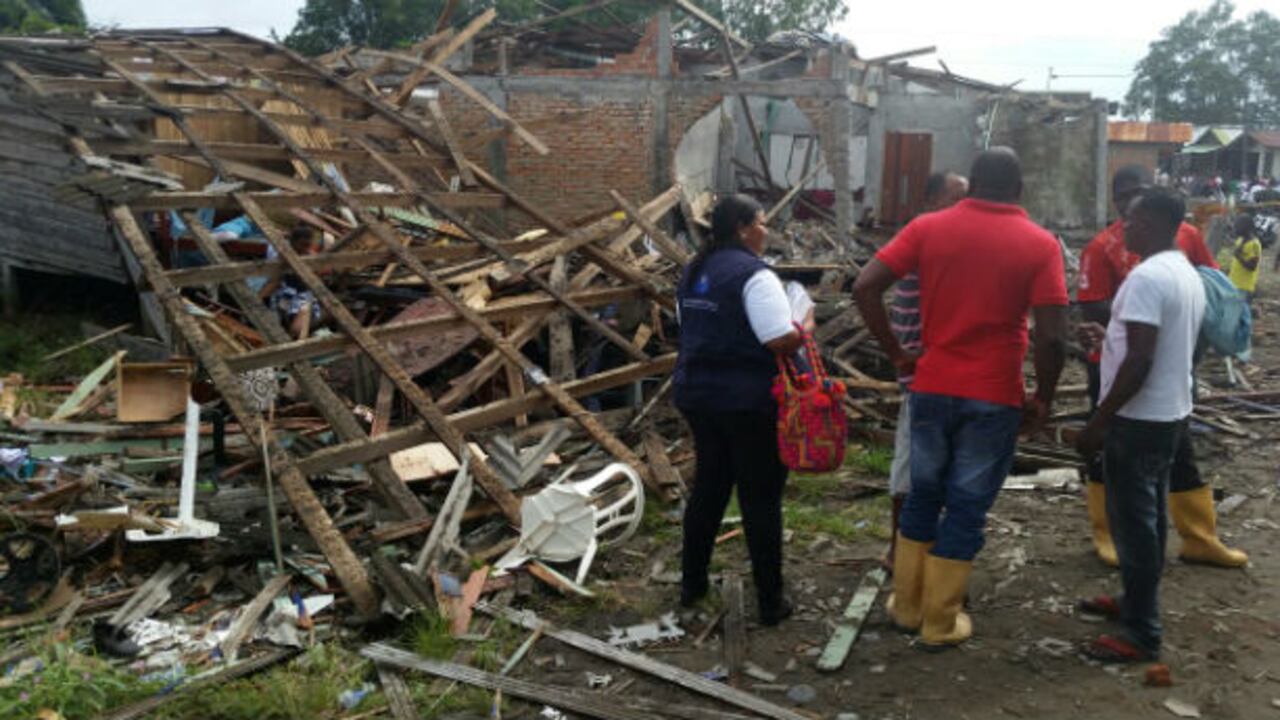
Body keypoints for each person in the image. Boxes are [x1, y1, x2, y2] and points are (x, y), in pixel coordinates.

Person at [854, 148, 1067, 648]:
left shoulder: (929, 229)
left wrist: (896, 352)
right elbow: (1054, 337)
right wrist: (1044, 396)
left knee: (923, 494)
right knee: (968, 505)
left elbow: (865, 287)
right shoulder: (1040, 244)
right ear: (1020, 190)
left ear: (971, 184)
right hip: (994, 395)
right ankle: (941, 622)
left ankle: (907, 607)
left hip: (930, 386)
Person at [1077, 166, 1246, 568]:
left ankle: (1199, 536)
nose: (1127, 206)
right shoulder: (1101, 247)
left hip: (1168, 363)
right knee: (1109, 456)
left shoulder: (1182, 237)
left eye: (1135, 195)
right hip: (1117, 363)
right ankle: (1110, 536)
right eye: (1122, 198)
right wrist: (1131, 323)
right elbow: (1092, 305)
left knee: (1178, 451)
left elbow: (1211, 284)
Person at [1074, 187, 1206, 662]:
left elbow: (1141, 360)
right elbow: (1153, 343)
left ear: (1148, 222)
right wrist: (1110, 336)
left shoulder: (1148, 277)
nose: (1122, 226)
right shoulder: (1182, 270)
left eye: (1129, 219)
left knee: (1134, 525)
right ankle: (1135, 602)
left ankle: (1142, 633)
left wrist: (1098, 422)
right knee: (1148, 519)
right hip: (1169, 413)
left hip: (1138, 420)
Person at [674, 194, 803, 626]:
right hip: (748, 403)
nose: (768, 230)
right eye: (764, 222)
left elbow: (690, 327)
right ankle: (771, 601)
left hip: (698, 396)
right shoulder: (756, 275)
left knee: (709, 488)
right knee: (760, 499)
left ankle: (692, 586)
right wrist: (806, 325)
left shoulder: (695, 270)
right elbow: (778, 340)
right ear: (746, 228)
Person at [883, 171, 969, 571]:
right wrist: (898, 354)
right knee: (912, 471)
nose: (964, 207)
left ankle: (921, 552)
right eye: (956, 197)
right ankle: (899, 550)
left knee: (935, 471)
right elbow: (867, 287)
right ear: (932, 200)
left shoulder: (948, 239)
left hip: (946, 380)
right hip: (922, 380)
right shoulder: (926, 238)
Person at [1227, 214, 1261, 301]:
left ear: (1246, 228)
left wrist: (1239, 256)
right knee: (1242, 312)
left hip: (1243, 286)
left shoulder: (1254, 244)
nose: (1235, 228)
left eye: (1238, 226)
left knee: (1232, 311)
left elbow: (1252, 266)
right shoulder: (1240, 240)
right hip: (1234, 282)